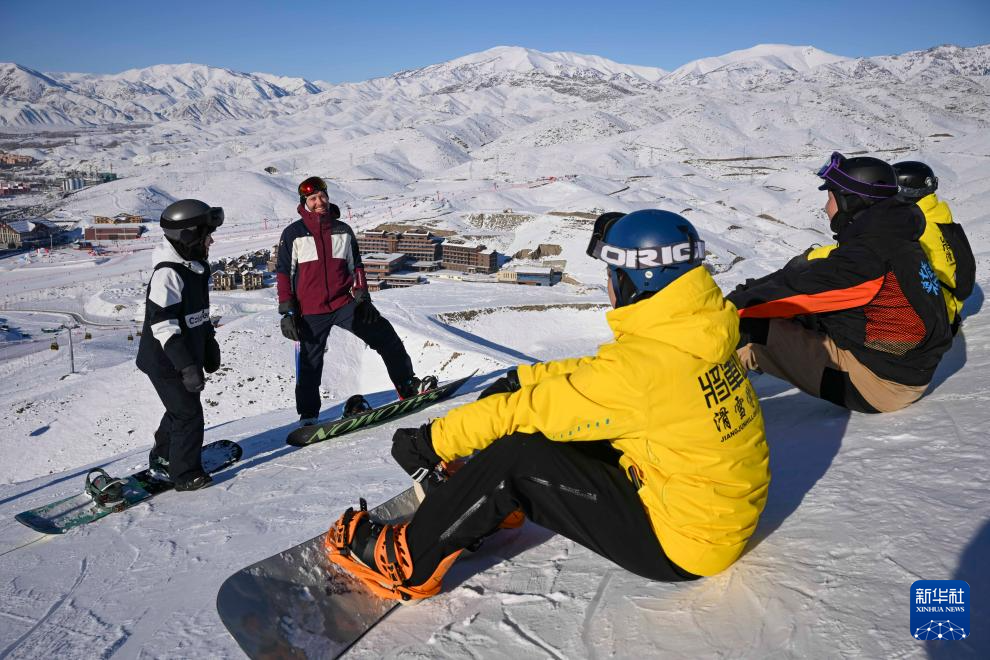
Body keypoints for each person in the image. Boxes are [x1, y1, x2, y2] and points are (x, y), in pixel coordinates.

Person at [323, 209, 771, 601]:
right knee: (568, 426)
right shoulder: (697, 334)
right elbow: (598, 376)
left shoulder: (645, 370)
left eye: (612, 273)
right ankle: (490, 503)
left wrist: (431, 440)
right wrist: (524, 378)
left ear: (637, 280)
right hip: (713, 514)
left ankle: (406, 563)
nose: (608, 284)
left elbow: (532, 411)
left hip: (681, 543)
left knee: (519, 454)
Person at [727, 152, 953, 414]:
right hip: (903, 368)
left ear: (851, 201)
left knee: (745, 331)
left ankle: (715, 417)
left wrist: (722, 310)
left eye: (830, 197)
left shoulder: (867, 258)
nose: (826, 208)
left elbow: (793, 291)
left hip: (879, 385)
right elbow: (807, 282)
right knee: (793, 317)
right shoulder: (894, 239)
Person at [275, 176, 430, 426]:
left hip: (344, 303)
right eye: (313, 198)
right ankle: (308, 416)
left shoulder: (342, 230)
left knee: (386, 336)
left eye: (322, 196)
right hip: (310, 310)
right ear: (304, 203)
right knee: (310, 364)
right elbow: (284, 273)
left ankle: (407, 385)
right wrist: (287, 311)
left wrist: (363, 299)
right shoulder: (293, 234)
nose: (319, 202)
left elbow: (356, 267)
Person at [802, 161, 975, 336]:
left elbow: (867, 252)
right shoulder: (937, 218)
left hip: (926, 321)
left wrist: (813, 256)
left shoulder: (911, 226)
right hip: (945, 312)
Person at [136, 199, 224, 491]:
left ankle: (163, 457)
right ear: (189, 237)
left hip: (184, 355)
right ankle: (185, 474)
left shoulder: (196, 267)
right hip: (165, 361)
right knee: (188, 414)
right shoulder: (168, 274)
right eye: (207, 235)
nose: (211, 241)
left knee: (180, 409)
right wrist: (186, 366)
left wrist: (208, 344)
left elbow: (199, 313)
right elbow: (163, 325)